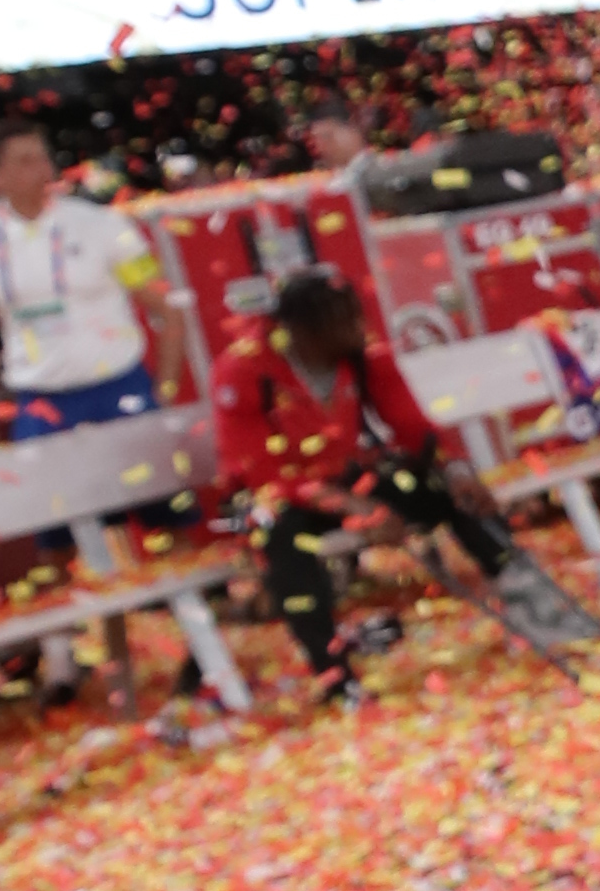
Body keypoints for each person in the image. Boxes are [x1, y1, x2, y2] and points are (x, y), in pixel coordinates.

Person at [0, 111, 184, 700]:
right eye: (23, 161)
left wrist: (169, 389)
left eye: (43, 157)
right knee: (57, 546)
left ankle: (199, 643)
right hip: (42, 399)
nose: (41, 171)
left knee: (167, 525)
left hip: (119, 384)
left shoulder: (102, 226)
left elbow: (165, 307)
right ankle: (64, 658)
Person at [212, 265, 521, 700]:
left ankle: (527, 598)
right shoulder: (244, 368)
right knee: (281, 537)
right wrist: (355, 509)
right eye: (341, 320)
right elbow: (259, 473)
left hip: (343, 477)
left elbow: (412, 425)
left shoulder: (361, 354)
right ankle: (334, 676)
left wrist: (456, 471)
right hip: (276, 496)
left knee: (441, 489)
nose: (357, 328)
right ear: (301, 329)